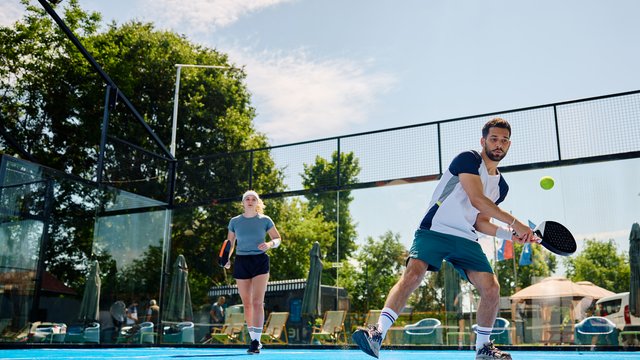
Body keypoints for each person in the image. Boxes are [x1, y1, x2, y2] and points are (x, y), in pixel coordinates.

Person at [352, 118, 535, 359]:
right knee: (414, 274)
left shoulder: (502, 186)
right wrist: (515, 223)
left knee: (491, 289)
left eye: (503, 140)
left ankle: (483, 349)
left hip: (466, 238)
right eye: (493, 139)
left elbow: (480, 221)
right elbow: (477, 199)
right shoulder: (468, 159)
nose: (498, 145)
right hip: (435, 228)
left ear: (509, 145)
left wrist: (509, 236)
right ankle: (377, 334)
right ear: (483, 141)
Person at [223, 190, 282, 354]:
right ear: (243, 202)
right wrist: (226, 258)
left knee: (257, 302)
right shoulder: (234, 221)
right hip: (241, 262)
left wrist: (269, 245)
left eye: (253, 199)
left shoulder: (265, 220)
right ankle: (253, 337)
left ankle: (256, 341)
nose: (250, 201)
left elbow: (278, 238)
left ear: (257, 203)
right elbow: (230, 243)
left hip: (260, 261)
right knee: (247, 304)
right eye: (247, 199)